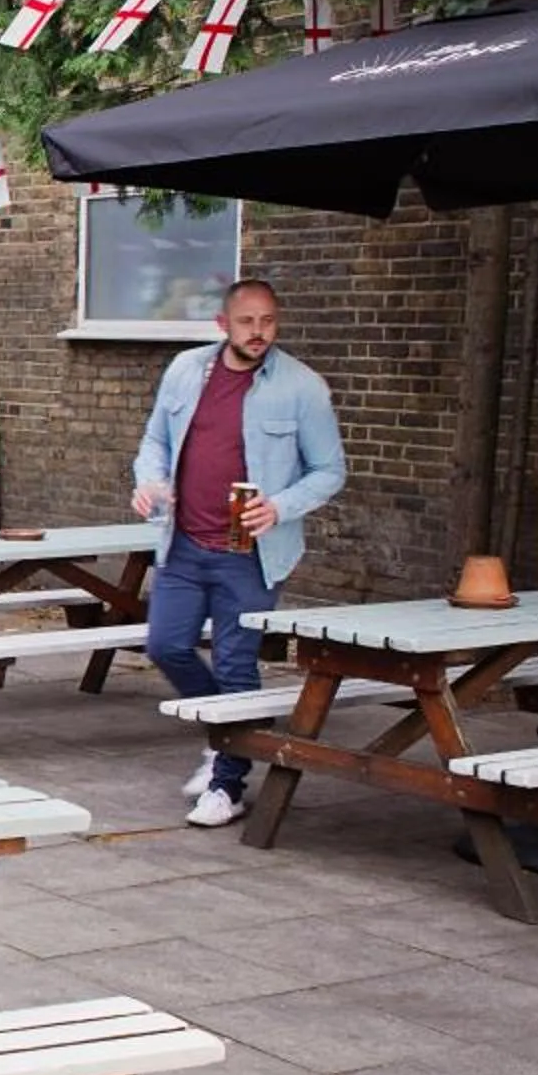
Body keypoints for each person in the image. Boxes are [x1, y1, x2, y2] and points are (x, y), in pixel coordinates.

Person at [131, 277, 346, 829]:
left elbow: (329, 471)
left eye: (269, 321)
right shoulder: (184, 371)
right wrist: (151, 482)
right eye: (248, 322)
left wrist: (280, 506)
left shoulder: (302, 388)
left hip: (251, 553)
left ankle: (227, 786)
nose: (259, 332)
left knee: (234, 663)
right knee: (166, 646)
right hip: (182, 543)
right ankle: (228, 733)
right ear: (223, 325)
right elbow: (155, 441)